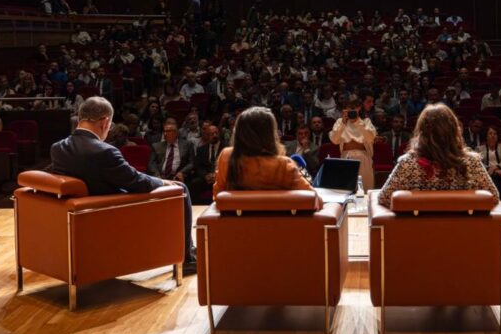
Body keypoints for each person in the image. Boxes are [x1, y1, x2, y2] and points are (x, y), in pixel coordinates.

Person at [49, 97, 196, 274]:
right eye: (110, 125)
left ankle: (189, 250)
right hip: (115, 215)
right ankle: (187, 258)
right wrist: (162, 181)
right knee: (181, 189)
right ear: (105, 122)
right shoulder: (104, 151)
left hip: (81, 220)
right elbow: (136, 182)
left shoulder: (58, 148)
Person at [376, 103, 499, 207]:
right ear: (454, 130)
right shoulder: (472, 162)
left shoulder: (407, 163)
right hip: (463, 228)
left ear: (421, 132)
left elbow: (384, 198)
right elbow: (493, 197)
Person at [213, 107, 313, 198]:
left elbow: (218, 196)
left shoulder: (226, 156)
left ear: (239, 132)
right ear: (270, 134)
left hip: (235, 212)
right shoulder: (284, 164)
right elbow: (311, 197)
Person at [330, 96, 377, 190]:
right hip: (346, 157)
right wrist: (343, 123)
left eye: (355, 107)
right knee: (346, 190)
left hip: (363, 157)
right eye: (350, 107)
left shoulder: (366, 121)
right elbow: (334, 140)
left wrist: (357, 122)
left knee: (364, 190)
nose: (352, 109)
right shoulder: (340, 122)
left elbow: (370, 138)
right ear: (346, 108)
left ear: (359, 107)